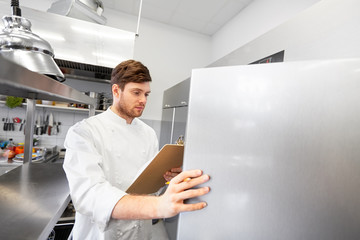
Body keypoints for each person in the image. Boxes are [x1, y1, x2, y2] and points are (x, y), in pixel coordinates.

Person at [63, 59, 210, 239]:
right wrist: (158, 206)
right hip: (102, 234)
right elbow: (88, 194)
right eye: (136, 92)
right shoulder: (84, 132)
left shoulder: (148, 133)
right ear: (116, 90)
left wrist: (167, 180)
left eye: (146, 94)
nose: (143, 100)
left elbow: (150, 189)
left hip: (140, 232)